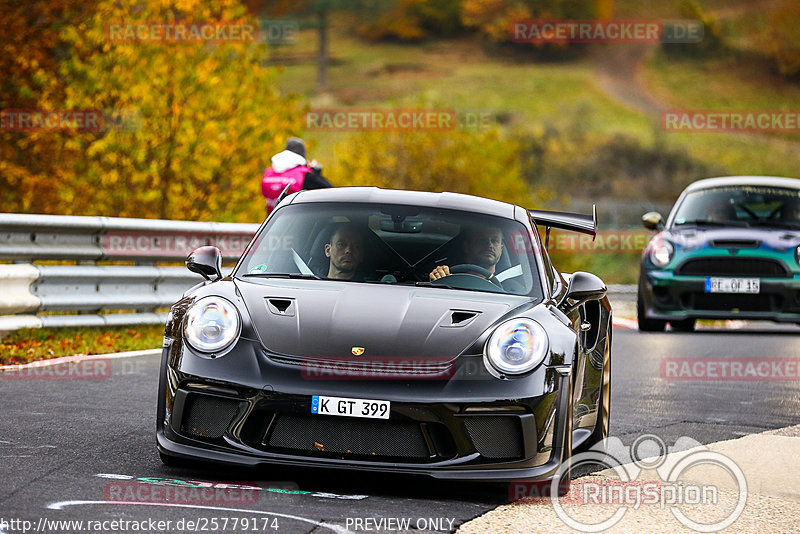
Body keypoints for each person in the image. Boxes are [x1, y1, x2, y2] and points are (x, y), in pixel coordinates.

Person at [261, 137, 332, 212]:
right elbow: (329, 191)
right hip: (297, 220)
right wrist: (315, 172)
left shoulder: (269, 174)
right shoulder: (304, 174)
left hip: (276, 221)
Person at [429, 226, 503, 282]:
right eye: (482, 240)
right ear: (466, 246)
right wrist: (438, 280)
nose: (489, 245)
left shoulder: (509, 287)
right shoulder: (450, 279)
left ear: (501, 249)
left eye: (495, 241)